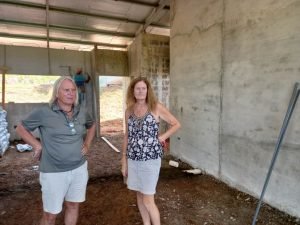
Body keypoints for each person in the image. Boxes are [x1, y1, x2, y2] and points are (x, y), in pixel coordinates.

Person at [16, 76, 96, 225]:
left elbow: (91, 125)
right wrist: (37, 145)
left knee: (73, 206)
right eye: (66, 90)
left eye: (73, 90)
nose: (71, 93)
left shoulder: (81, 112)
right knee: (50, 215)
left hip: (79, 169)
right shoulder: (44, 112)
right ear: (57, 92)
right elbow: (21, 128)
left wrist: (87, 144)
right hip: (53, 173)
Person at [121, 77, 181, 225]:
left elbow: (176, 124)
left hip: (150, 160)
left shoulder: (156, 107)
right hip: (133, 159)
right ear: (133, 91)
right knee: (140, 195)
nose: (141, 91)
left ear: (148, 91)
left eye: (143, 88)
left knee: (148, 199)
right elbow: (127, 136)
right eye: (137, 88)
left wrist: (162, 137)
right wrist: (124, 161)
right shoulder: (129, 111)